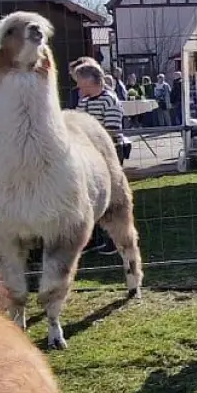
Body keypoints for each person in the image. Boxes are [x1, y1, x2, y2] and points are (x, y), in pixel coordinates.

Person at [75, 61, 125, 255]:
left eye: (79, 81)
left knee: (111, 197)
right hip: (88, 156)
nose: (77, 86)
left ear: (89, 80)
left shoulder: (110, 100)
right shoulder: (84, 101)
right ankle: (93, 240)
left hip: (108, 153)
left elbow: (111, 132)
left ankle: (115, 241)